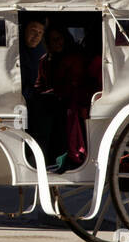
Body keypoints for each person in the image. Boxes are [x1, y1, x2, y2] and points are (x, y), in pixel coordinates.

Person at [32, 24, 91, 171]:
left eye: (59, 39)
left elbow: (76, 83)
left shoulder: (74, 58)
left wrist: (55, 93)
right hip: (52, 101)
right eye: (53, 40)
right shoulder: (45, 61)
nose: (57, 43)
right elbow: (40, 84)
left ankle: (65, 157)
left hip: (72, 101)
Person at [19, 17, 46, 103]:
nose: (37, 36)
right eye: (33, 31)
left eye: (40, 32)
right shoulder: (15, 51)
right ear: (24, 30)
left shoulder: (43, 53)